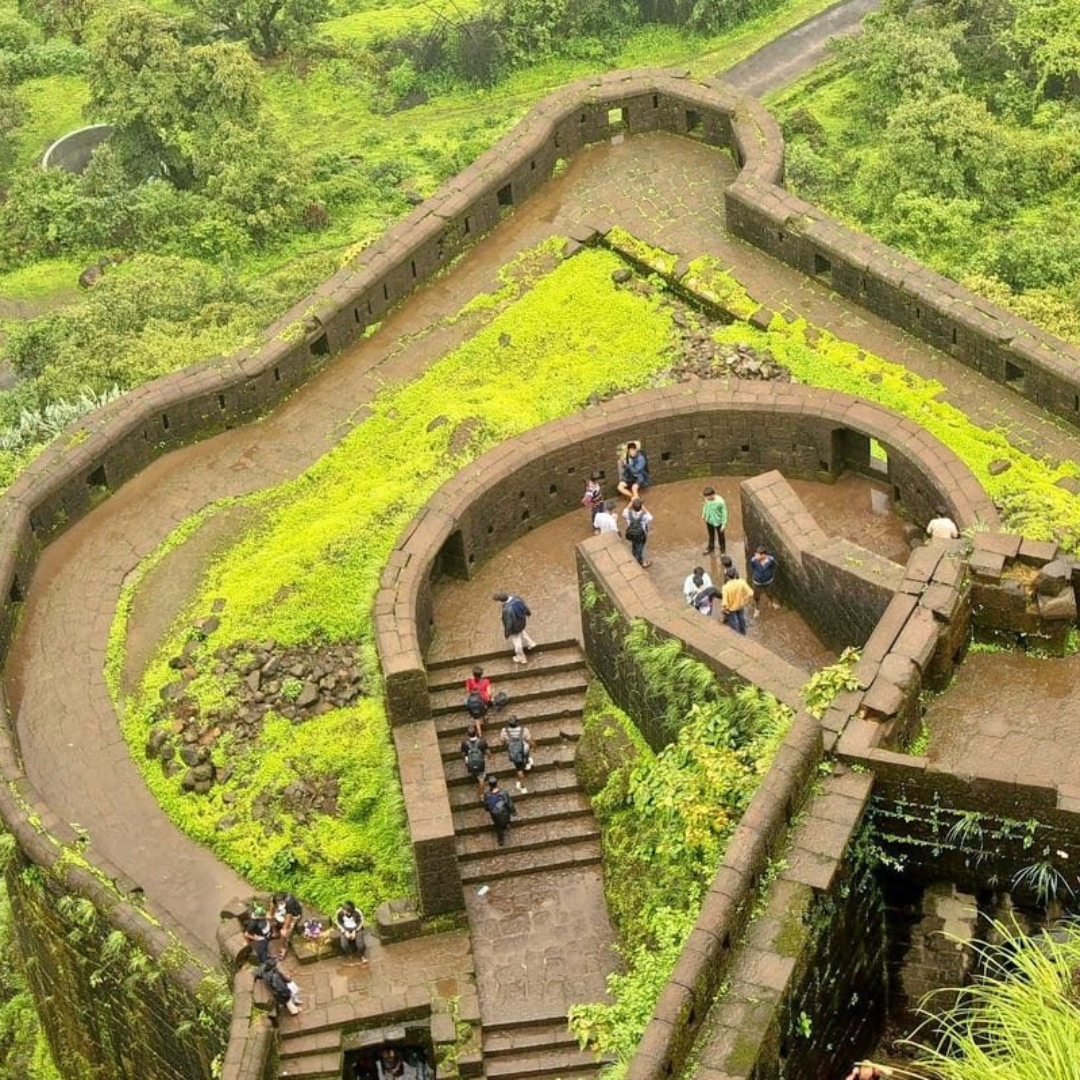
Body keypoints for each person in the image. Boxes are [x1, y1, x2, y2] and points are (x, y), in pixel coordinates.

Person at [493, 592, 535, 664]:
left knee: (517, 643)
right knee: (522, 631)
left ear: (501, 601)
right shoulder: (517, 598)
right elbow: (525, 607)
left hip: (514, 628)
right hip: (522, 621)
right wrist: (528, 613)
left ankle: (521, 657)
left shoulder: (507, 609)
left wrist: (507, 633)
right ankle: (531, 643)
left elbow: (508, 623)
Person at [500, 715, 533, 794]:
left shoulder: (504, 731)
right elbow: (529, 740)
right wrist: (534, 746)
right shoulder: (524, 730)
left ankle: (527, 763)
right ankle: (522, 786)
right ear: (517, 722)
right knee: (520, 770)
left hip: (514, 752)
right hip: (523, 749)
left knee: (518, 766)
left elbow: (502, 741)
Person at [483, 774, 517, 846]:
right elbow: (509, 803)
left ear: (489, 785)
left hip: (495, 813)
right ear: (496, 783)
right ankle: (507, 825)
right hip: (504, 811)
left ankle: (500, 840)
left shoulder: (487, 794)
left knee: (498, 826)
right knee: (506, 819)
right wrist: (513, 811)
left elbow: (486, 806)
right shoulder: (503, 792)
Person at [720, 567, 754, 635]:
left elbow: (724, 602)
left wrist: (723, 610)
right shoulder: (741, 582)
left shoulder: (725, 587)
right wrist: (745, 600)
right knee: (742, 619)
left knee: (734, 622)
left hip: (731, 608)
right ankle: (743, 633)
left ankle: (737, 635)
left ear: (727, 577)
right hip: (740, 605)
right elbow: (751, 593)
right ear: (735, 575)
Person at [622, 497, 653, 568]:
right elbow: (650, 517)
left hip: (631, 533)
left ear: (632, 506)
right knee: (640, 547)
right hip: (641, 535)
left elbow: (625, 510)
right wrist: (644, 508)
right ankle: (641, 562)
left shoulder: (628, 514)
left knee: (634, 543)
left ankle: (634, 553)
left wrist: (631, 502)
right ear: (641, 507)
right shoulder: (644, 516)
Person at [461, 724, 490, 800]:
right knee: (481, 779)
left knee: (471, 766)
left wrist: (465, 761)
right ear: (476, 733)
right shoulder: (482, 742)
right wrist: (490, 758)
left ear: (467, 734)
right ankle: (481, 794)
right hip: (480, 762)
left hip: (470, 762)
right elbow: (488, 752)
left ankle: (473, 772)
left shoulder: (464, 743)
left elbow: (463, 754)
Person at [749, 546, 778, 615]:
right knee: (756, 596)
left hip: (768, 581)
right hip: (757, 582)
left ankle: (772, 602)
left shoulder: (771, 560)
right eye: (756, 554)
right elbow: (753, 567)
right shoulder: (753, 560)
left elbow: (774, 567)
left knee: (770, 593)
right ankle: (757, 608)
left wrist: (770, 575)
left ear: (763, 555)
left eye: (757, 554)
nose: (756, 556)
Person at [463, 665, 493, 730]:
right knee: (485, 707)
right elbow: (489, 693)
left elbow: (468, 690)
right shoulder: (486, 681)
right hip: (483, 701)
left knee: (476, 717)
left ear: (473, 674)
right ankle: (485, 716)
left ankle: (479, 733)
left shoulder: (469, 681)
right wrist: (490, 698)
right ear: (481, 674)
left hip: (473, 701)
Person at [701, 487, 728, 555]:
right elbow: (705, 506)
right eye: (706, 497)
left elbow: (724, 513)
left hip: (718, 522)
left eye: (708, 497)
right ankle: (710, 547)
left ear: (712, 495)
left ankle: (722, 550)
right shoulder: (707, 499)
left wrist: (724, 524)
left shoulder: (720, 502)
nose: (707, 498)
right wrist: (703, 515)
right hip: (709, 520)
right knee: (711, 535)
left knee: (721, 537)